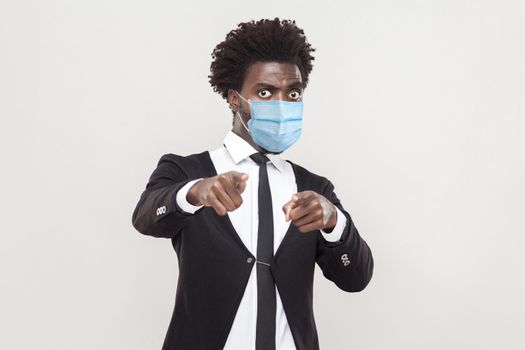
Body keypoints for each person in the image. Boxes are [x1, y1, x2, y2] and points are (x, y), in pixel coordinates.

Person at [132, 18, 374, 350]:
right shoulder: (187, 169)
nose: (281, 103)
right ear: (235, 99)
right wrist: (196, 191)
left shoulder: (313, 188)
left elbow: (356, 278)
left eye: (292, 93)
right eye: (265, 92)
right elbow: (146, 216)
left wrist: (334, 221)